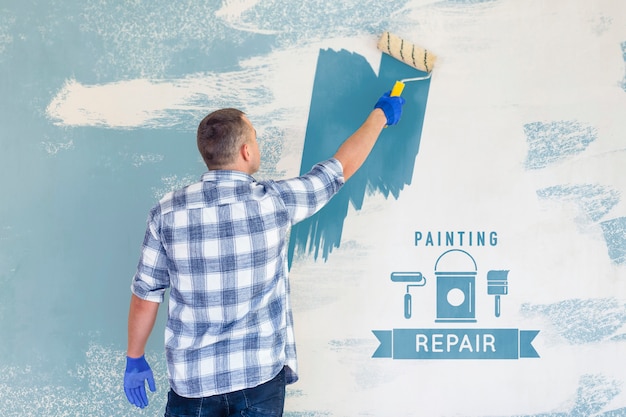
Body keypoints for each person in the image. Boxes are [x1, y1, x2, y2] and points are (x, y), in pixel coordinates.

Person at [123, 91, 406, 416]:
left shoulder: (166, 212)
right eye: (255, 139)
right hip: (258, 378)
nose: (257, 145)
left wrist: (135, 357)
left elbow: (147, 294)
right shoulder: (274, 201)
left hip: (193, 382)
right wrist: (380, 116)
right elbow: (339, 170)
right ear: (246, 151)